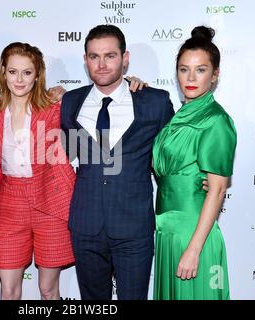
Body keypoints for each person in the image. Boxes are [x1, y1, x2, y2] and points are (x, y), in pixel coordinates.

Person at [60, 24, 175, 300]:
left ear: (125, 58)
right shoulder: (70, 102)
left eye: (110, 56)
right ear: (85, 59)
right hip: (85, 225)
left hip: (134, 227)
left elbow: (172, 160)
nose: (101, 64)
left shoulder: (154, 102)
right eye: (93, 56)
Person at [0, 42, 77, 300]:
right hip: (9, 203)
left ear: (38, 75)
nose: (19, 79)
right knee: (9, 289)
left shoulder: (54, 107)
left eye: (27, 72)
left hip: (51, 201)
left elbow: (95, 103)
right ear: (3, 72)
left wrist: (133, 82)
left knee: (48, 288)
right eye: (13, 72)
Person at [152, 26, 237, 300]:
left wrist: (194, 249)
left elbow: (218, 189)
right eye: (183, 69)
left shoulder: (216, 121)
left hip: (194, 234)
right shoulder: (179, 116)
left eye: (200, 70)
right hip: (167, 232)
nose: (190, 78)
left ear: (215, 76)